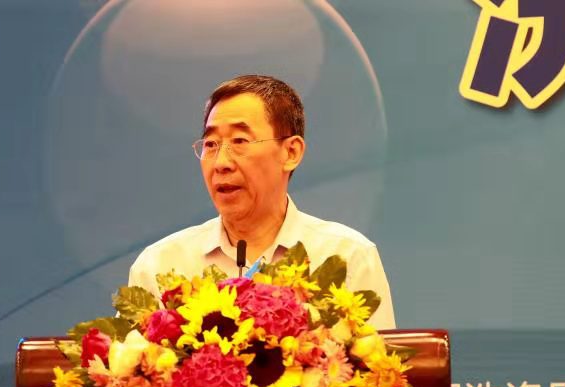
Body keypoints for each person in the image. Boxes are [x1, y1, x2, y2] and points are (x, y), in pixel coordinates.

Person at [128, 74, 395, 330]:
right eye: (210, 144)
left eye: (240, 141)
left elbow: (378, 361)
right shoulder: (161, 264)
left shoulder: (347, 256)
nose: (221, 163)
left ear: (291, 152)